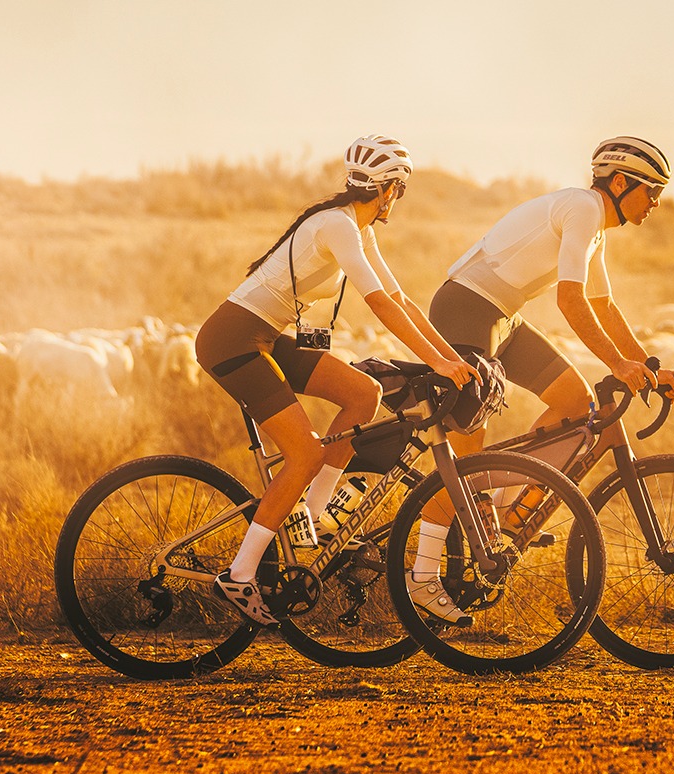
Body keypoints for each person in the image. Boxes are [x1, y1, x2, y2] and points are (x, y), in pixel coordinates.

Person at [196, 136, 477, 625]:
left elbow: (403, 299)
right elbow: (381, 305)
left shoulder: (356, 227)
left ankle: (314, 520)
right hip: (233, 339)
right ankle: (239, 574)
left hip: (263, 336)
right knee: (304, 453)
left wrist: (453, 361)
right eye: (400, 193)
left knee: (362, 393)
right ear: (391, 191)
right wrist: (436, 363)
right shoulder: (337, 226)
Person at [409, 135, 674, 621]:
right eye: (651, 190)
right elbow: (570, 301)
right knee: (467, 455)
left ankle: (505, 517)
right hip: (466, 309)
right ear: (619, 183)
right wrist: (619, 365)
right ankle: (423, 575)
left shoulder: (593, 225)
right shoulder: (583, 208)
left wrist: (650, 368)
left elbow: (603, 305)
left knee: (578, 402)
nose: (656, 202)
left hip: (502, 317)